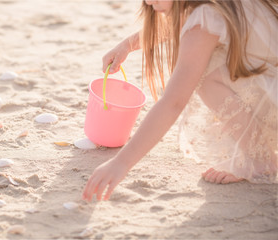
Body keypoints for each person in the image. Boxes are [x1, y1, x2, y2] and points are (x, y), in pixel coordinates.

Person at [82, 0, 278, 202]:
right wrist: (127, 45)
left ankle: (261, 160)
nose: (149, 2)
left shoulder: (204, 19)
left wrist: (120, 163)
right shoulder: (212, 6)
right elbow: (174, 28)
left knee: (205, 73)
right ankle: (258, 151)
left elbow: (173, 102)